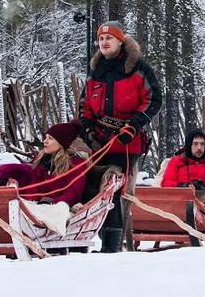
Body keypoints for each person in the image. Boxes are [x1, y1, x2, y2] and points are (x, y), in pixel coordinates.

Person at [71, 20, 162, 253]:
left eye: (108, 38)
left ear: (120, 41)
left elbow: (153, 100)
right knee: (91, 189)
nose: (104, 42)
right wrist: (88, 129)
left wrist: (133, 126)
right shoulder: (95, 73)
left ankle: (112, 247)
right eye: (101, 39)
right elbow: (85, 105)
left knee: (115, 191)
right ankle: (84, 239)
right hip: (99, 142)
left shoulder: (139, 69)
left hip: (127, 143)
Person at [0, 122, 88, 207]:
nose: (45, 141)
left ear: (62, 143)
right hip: (34, 207)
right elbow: (32, 185)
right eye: (46, 137)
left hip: (55, 209)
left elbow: (73, 194)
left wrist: (52, 204)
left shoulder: (75, 166)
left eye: (51, 138)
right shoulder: (42, 162)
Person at [160, 128, 205, 192]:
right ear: (189, 145)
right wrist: (182, 186)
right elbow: (166, 182)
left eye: (202, 144)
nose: (199, 148)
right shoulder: (176, 161)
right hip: (183, 196)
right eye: (195, 144)